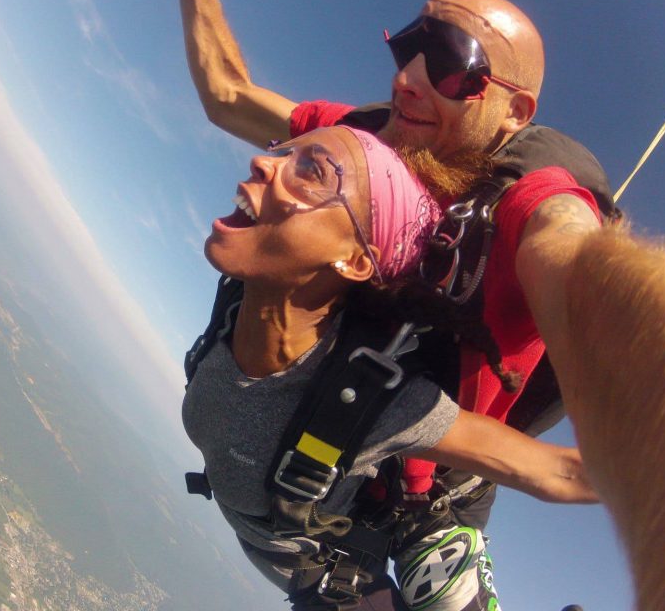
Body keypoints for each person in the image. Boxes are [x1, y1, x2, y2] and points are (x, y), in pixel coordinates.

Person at [168, 0, 665, 608]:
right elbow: (229, 96)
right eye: (408, 47)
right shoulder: (364, 148)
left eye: (451, 63)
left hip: (437, 479)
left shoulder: (531, 197)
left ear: (514, 112)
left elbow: (574, 262)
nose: (406, 78)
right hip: (325, 441)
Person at [182, 124, 597, 610]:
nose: (263, 162)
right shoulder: (235, 302)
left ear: (357, 260)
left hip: (333, 557)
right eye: (282, 151)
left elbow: (556, 472)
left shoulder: (368, 399)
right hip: (298, 563)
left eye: (312, 170)